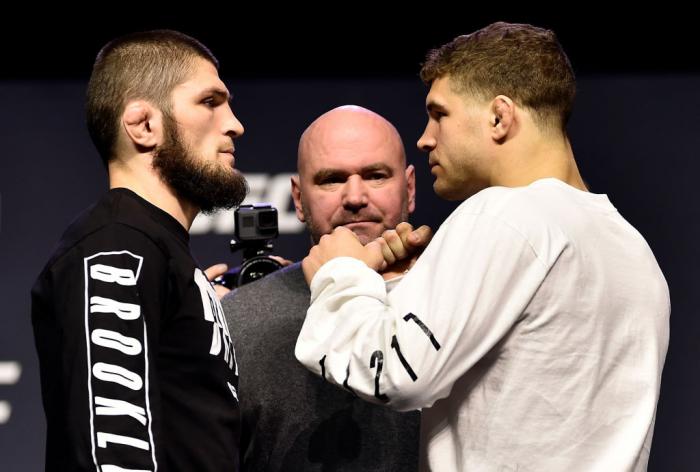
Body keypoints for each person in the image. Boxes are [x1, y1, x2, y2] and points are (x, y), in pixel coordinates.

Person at [295, 22, 670, 471]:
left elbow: (394, 374)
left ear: (499, 117)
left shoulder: (502, 214)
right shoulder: (631, 247)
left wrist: (341, 274)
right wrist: (402, 291)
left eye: (439, 114)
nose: (425, 138)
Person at [31, 30, 247, 471]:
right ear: (143, 125)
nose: (235, 124)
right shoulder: (117, 246)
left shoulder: (158, 252)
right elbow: (114, 454)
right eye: (210, 101)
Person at [221, 105, 422, 471]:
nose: (355, 197)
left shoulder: (458, 298)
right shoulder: (236, 320)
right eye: (331, 179)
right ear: (297, 198)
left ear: (408, 188)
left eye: (376, 175)